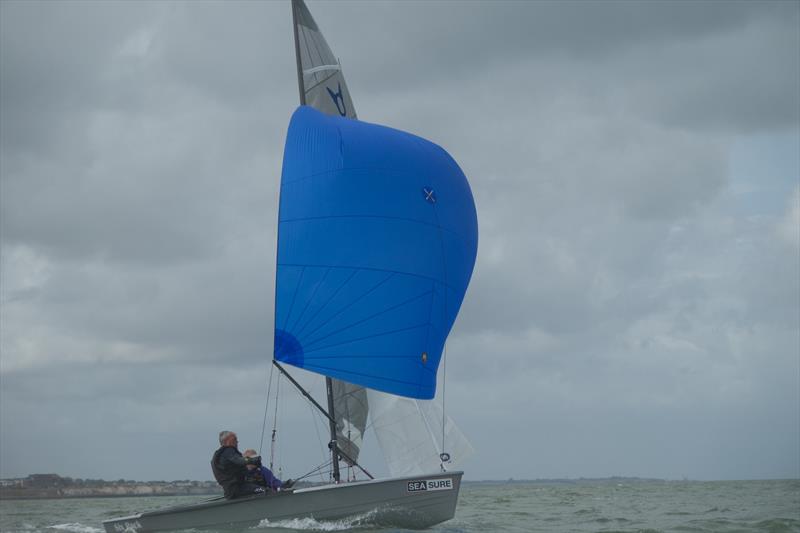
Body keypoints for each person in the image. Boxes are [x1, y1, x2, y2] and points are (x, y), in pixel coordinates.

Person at [210, 430, 265, 499]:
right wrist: (253, 460)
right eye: (235, 439)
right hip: (237, 489)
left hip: (230, 491)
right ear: (227, 441)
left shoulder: (221, 455)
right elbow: (239, 460)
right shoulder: (228, 451)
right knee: (264, 491)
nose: (237, 442)